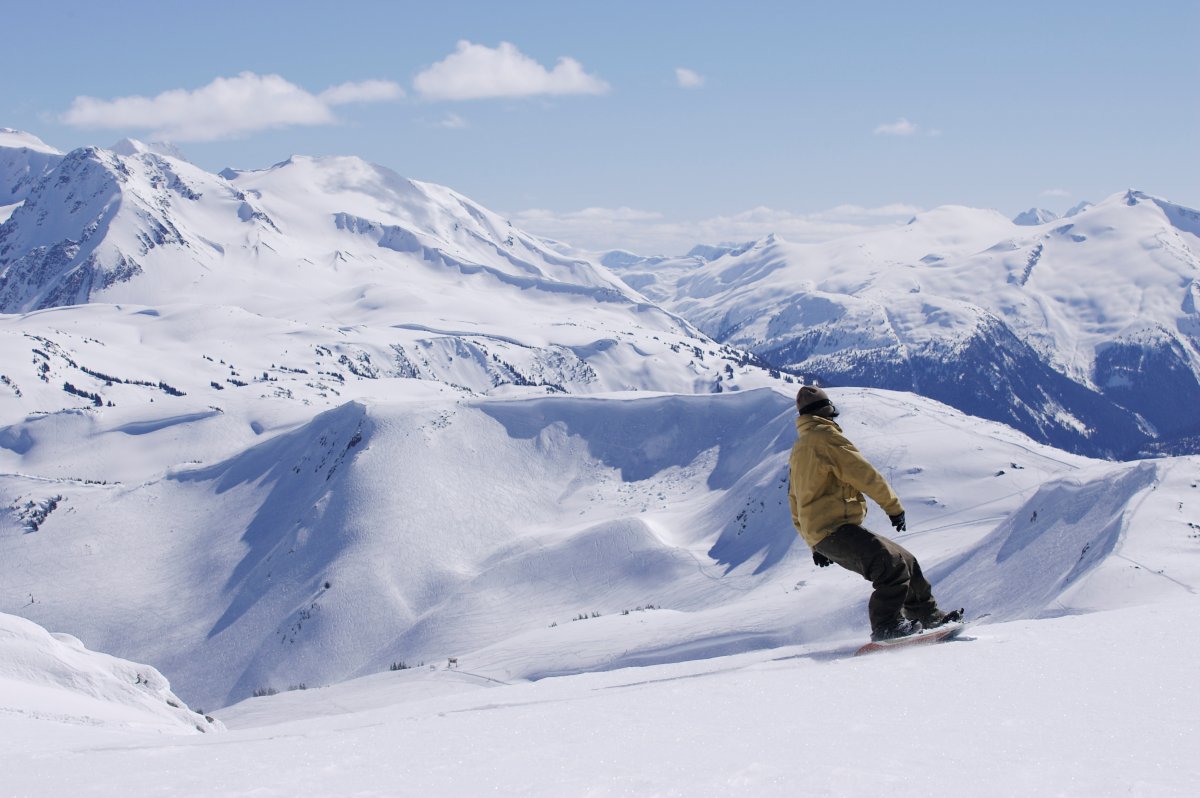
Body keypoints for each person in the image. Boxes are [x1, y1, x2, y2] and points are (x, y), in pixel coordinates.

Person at [787, 385, 962, 641]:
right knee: (890, 566)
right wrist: (893, 507)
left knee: (906, 560)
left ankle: (928, 616)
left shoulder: (800, 447)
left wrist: (813, 544)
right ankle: (886, 626)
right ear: (828, 412)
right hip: (834, 529)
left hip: (827, 532)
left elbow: (795, 500)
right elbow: (863, 474)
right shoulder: (826, 438)